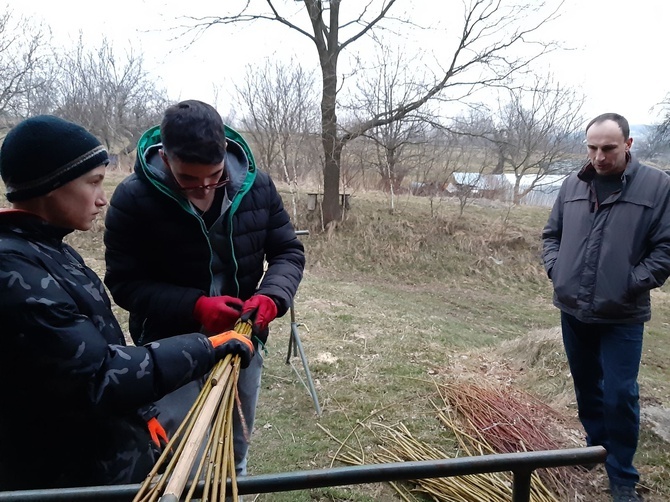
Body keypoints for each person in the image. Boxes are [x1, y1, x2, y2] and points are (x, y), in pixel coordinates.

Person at [0, 115, 255, 491]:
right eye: (93, 183)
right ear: (51, 186)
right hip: (68, 480)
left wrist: (139, 416)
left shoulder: (49, 249)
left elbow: (86, 356)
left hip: (105, 463)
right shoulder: (12, 267)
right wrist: (205, 346)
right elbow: (99, 375)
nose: (102, 198)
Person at [103, 99, 305, 478]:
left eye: (215, 176)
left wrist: (272, 296)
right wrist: (195, 307)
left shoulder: (256, 187)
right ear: (166, 158)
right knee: (181, 455)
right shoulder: (133, 199)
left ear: (225, 153)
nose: (204, 188)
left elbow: (288, 251)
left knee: (235, 444)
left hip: (243, 337)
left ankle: (233, 484)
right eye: (189, 179)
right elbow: (124, 283)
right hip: (168, 346)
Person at [542, 112, 670, 502]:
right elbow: (551, 235)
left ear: (628, 145)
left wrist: (632, 283)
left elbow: (666, 248)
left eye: (608, 148)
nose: (599, 156)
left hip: (622, 314)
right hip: (573, 307)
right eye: (592, 147)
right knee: (586, 385)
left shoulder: (657, 186)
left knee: (620, 394)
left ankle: (622, 475)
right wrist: (557, 269)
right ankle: (594, 447)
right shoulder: (572, 183)